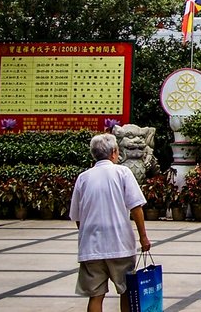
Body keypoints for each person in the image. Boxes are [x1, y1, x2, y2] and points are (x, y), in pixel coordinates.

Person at [69, 133, 151, 312]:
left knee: (96, 295)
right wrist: (143, 238)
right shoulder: (122, 172)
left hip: (91, 248)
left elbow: (77, 217)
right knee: (127, 291)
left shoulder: (83, 178)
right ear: (114, 152)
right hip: (120, 244)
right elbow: (136, 207)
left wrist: (87, 237)